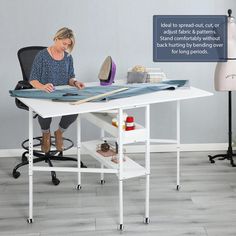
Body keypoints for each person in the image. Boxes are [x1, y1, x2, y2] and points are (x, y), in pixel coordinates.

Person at [29, 27, 85, 153]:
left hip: (63, 93)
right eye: (64, 43)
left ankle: (59, 132)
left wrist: (75, 82)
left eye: (68, 45)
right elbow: (33, 79)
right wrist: (43, 86)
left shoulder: (68, 57)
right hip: (45, 93)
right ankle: (46, 134)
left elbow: (70, 77)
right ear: (56, 38)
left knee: (75, 109)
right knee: (45, 112)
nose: (65, 47)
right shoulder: (42, 55)